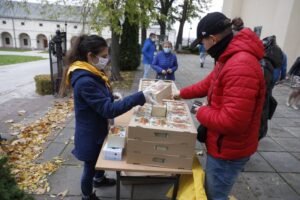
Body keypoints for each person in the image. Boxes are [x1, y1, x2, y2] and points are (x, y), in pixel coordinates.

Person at [174, 12, 266, 200]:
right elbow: (208, 83)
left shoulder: (240, 65)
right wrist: (180, 94)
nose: (203, 47)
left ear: (213, 39)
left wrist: (200, 111)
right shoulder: (228, 57)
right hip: (221, 143)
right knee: (212, 189)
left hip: (229, 151)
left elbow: (232, 122)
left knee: (215, 195)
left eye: (202, 42)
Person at [61, 35, 156, 200]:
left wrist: (111, 97)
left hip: (97, 127)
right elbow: (107, 110)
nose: (107, 59)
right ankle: (87, 195)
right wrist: (138, 97)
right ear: (90, 56)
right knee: (89, 166)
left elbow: (100, 99)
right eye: (104, 56)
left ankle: (99, 179)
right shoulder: (84, 80)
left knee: (100, 156)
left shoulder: (91, 71)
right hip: (89, 134)